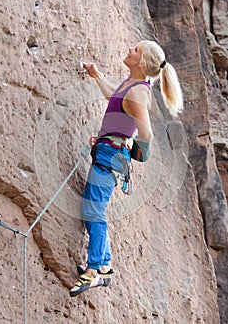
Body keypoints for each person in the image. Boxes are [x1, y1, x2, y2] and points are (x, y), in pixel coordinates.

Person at [69, 40, 183, 297]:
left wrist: (123, 146)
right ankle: (105, 266)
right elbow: (114, 97)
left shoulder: (138, 93)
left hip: (111, 156)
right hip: (109, 151)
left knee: (93, 210)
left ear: (142, 63)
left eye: (135, 50)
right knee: (92, 209)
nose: (129, 50)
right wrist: (97, 75)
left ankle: (94, 271)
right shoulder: (132, 84)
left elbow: (147, 134)